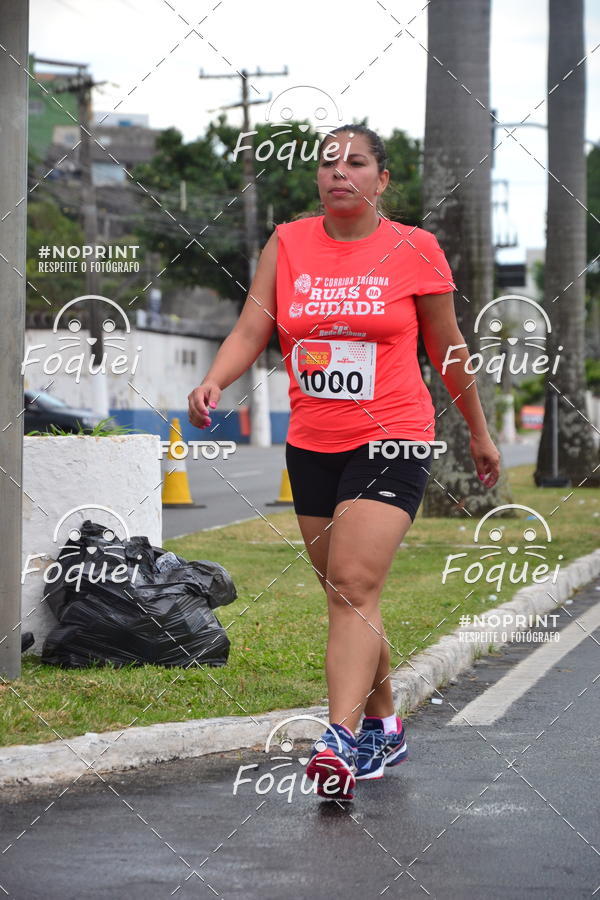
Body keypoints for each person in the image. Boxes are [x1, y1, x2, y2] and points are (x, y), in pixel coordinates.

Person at [188, 124, 500, 801]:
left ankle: (339, 739)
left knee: (355, 583)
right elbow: (253, 326)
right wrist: (217, 380)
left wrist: (478, 431)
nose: (340, 172)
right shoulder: (289, 243)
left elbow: (447, 348)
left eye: (356, 163)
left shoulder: (414, 249)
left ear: (382, 180)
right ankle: (385, 722)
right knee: (345, 593)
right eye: (329, 162)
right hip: (313, 441)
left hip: (394, 437)